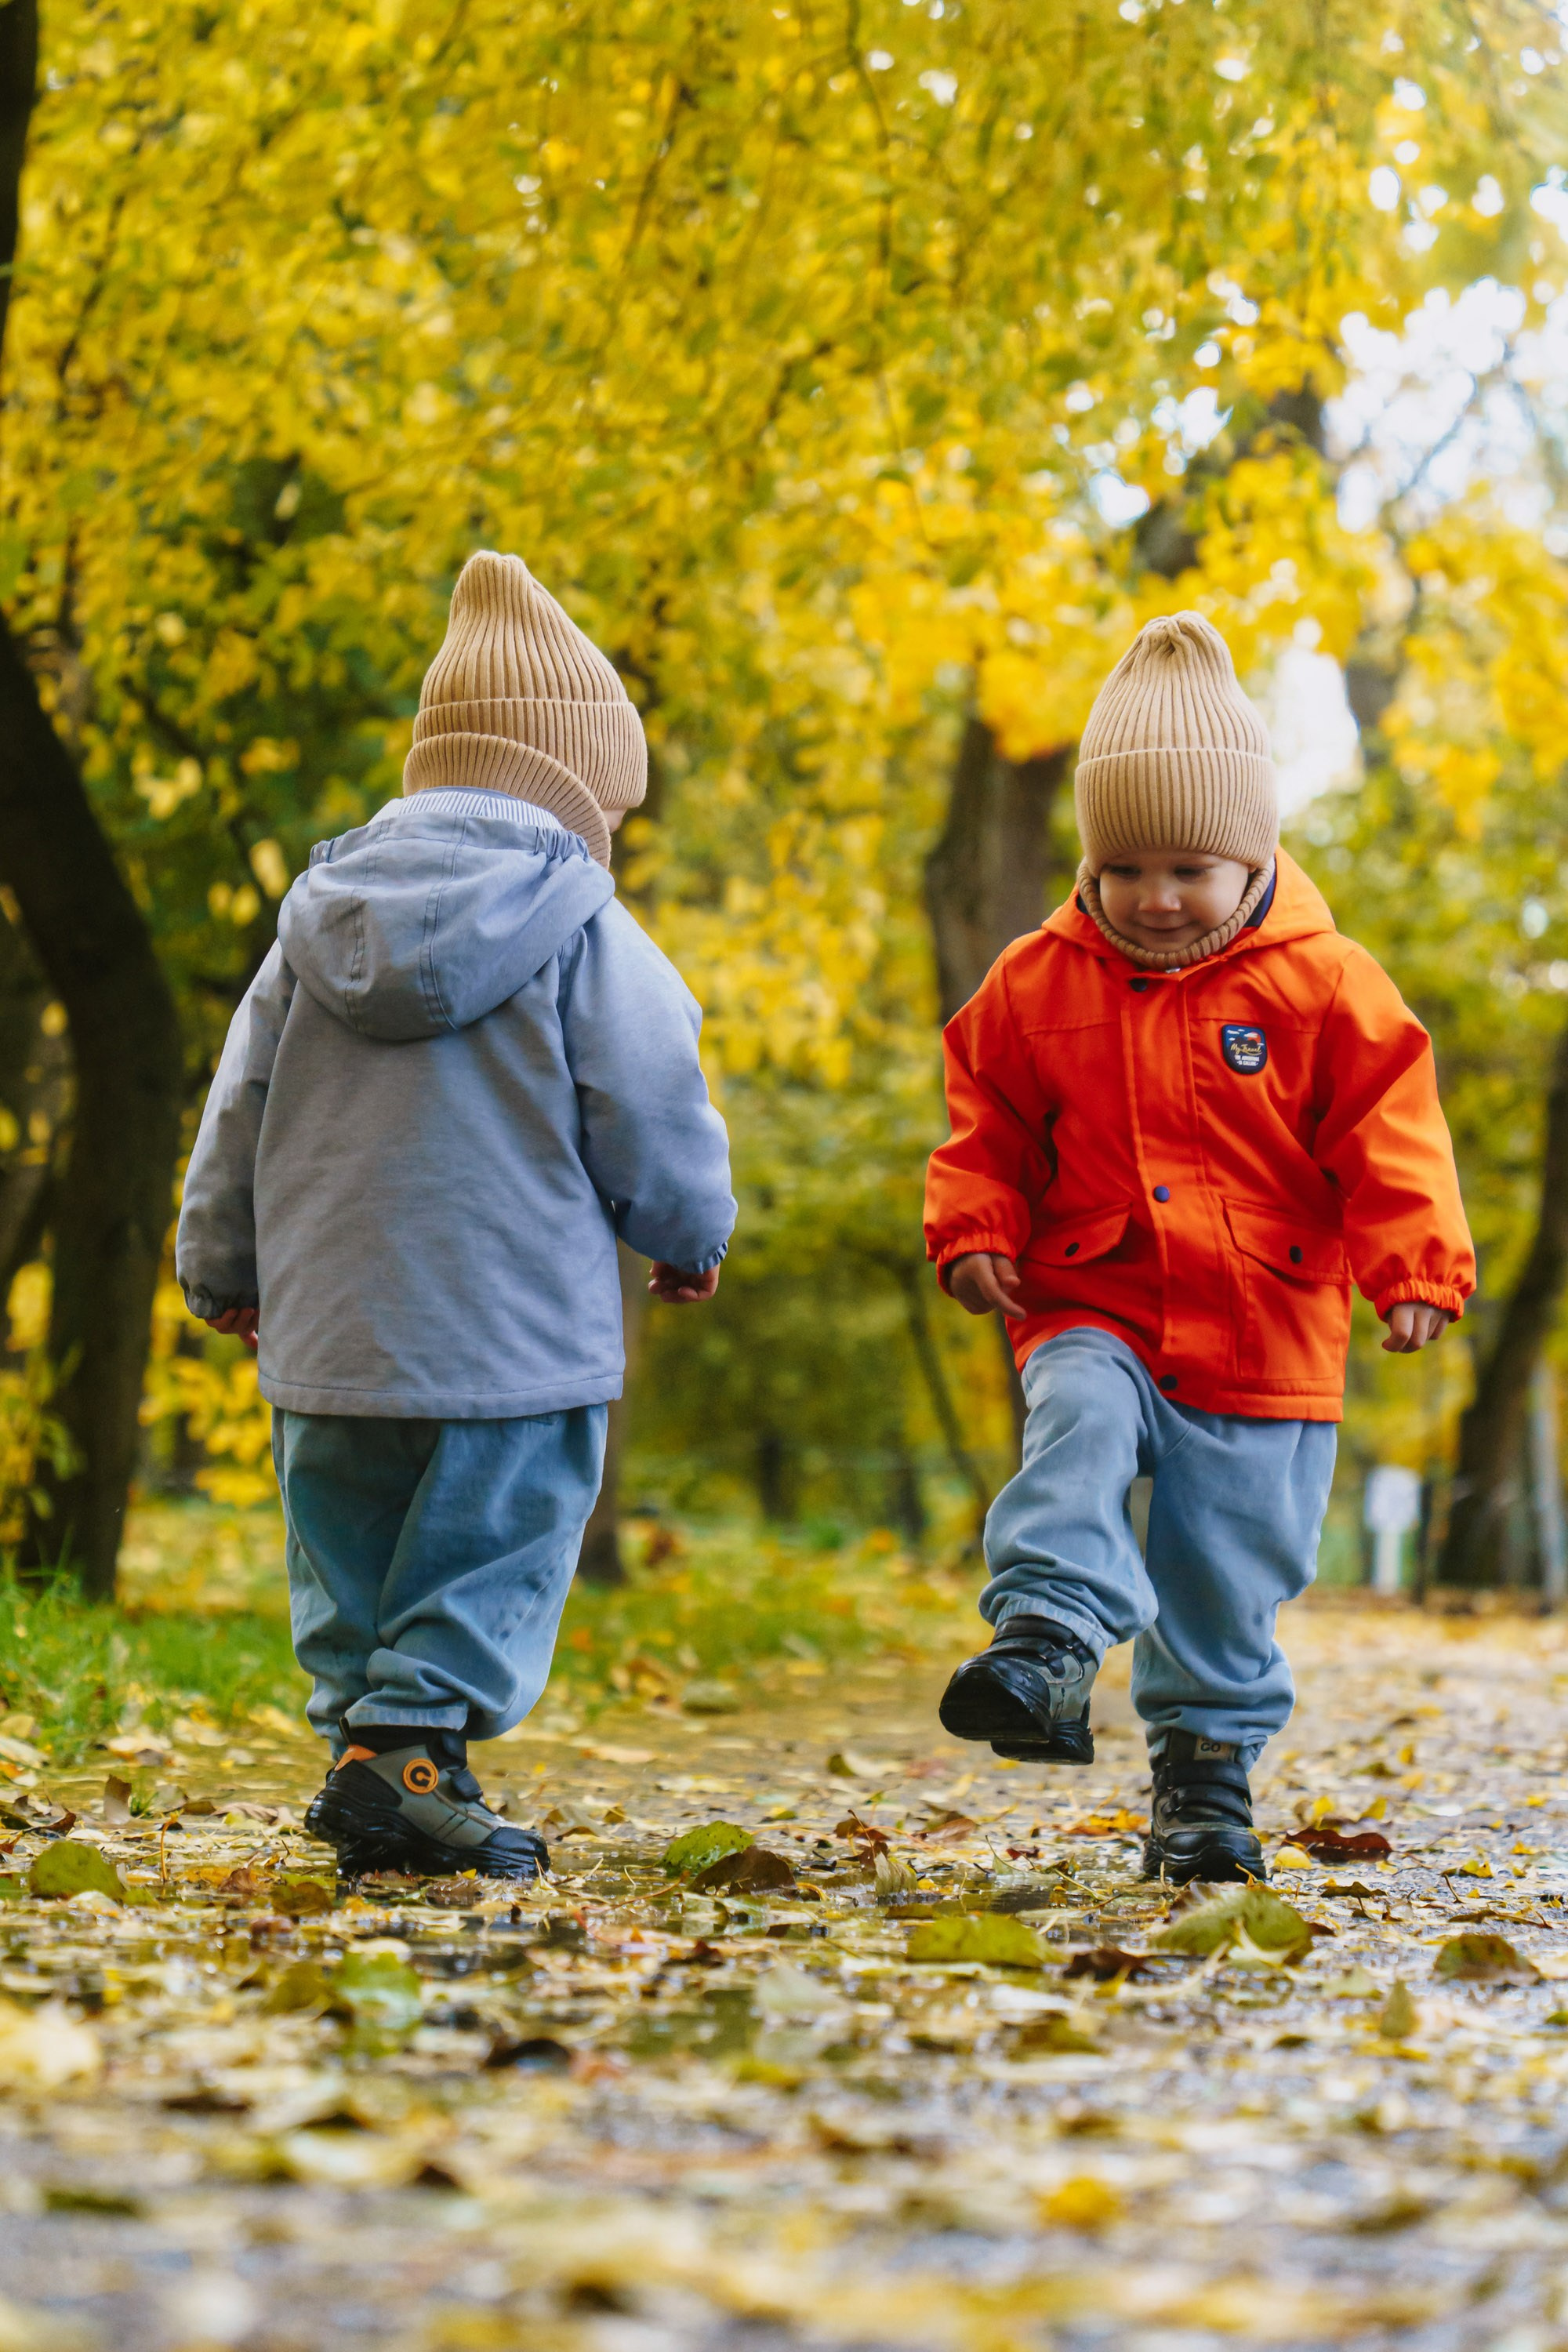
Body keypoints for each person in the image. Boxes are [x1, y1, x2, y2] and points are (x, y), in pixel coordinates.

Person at [176, 552, 735, 1882]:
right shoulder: (588, 927)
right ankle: (416, 1759)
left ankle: (374, 1766)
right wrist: (687, 1230)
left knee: (351, 1543)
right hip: (513, 1336)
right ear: (576, 789)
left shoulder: (312, 928)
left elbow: (237, 1108)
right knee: (491, 1538)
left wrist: (221, 1265)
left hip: (330, 1330)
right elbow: (650, 1096)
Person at [924, 612, 1473, 1884]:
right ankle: (1048, 1637)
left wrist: (1414, 1267)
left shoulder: (1328, 986)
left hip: (1265, 1327)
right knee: (1075, 1421)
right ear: (1090, 865)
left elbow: (1396, 1133)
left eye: (1189, 870)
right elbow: (984, 1123)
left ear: (1252, 856)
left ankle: (1205, 1783)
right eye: (1125, 871)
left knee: (1229, 1575)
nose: (1154, 899)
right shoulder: (1031, 981)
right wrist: (975, 1230)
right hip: (1091, 1296)